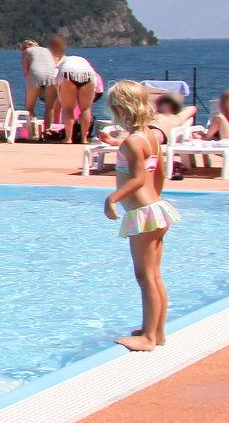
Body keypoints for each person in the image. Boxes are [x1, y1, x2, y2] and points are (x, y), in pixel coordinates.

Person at [103, 81, 179, 352]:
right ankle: (157, 331)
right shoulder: (150, 136)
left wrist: (113, 198)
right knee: (155, 276)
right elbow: (158, 173)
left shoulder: (134, 141)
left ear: (121, 109)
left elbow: (136, 178)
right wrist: (155, 198)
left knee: (145, 276)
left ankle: (147, 337)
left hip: (142, 214)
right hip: (156, 209)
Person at [49, 37, 100, 144]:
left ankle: (68, 138)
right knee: (86, 109)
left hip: (68, 73)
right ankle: (84, 139)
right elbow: (97, 80)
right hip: (88, 74)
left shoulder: (59, 64)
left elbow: (55, 81)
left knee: (68, 108)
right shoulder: (81, 60)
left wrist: (61, 95)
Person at [20, 41, 60, 124]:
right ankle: (48, 131)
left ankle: (34, 133)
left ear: (24, 48)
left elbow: (26, 71)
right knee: (50, 107)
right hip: (52, 76)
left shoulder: (27, 51)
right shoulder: (47, 50)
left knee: (29, 108)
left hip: (36, 75)